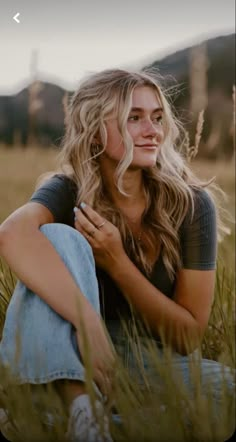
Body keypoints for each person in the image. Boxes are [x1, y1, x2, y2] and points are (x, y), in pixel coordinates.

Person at [0, 68, 234, 441]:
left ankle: (70, 423)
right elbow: (12, 233)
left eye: (157, 117)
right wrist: (90, 325)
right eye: (133, 117)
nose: (153, 130)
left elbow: (187, 336)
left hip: (155, 359)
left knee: (227, 394)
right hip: (74, 351)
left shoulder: (191, 204)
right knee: (58, 237)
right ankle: (82, 411)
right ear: (95, 130)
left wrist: (117, 263)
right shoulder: (67, 189)